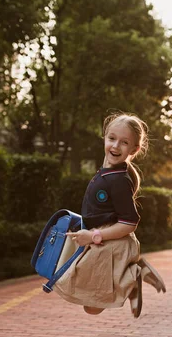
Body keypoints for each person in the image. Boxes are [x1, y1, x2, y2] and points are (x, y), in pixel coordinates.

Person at [53, 112, 166, 318]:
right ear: (104, 137)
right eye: (112, 138)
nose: (115, 146)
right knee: (90, 305)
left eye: (124, 142)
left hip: (110, 244)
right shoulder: (106, 173)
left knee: (93, 305)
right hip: (100, 239)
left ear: (134, 149)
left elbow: (130, 223)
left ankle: (134, 275)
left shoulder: (119, 180)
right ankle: (135, 274)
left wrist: (94, 235)